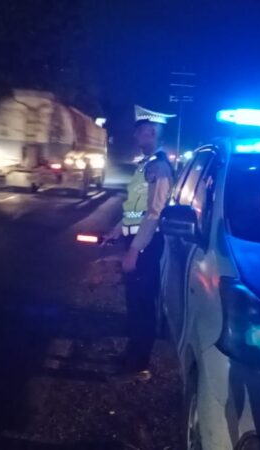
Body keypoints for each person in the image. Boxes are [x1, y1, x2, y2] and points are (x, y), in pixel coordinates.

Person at [105, 106, 175, 381]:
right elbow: (134, 208)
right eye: (137, 133)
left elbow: (154, 214)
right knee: (134, 303)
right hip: (135, 239)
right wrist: (117, 230)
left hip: (145, 244)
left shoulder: (159, 167)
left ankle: (138, 366)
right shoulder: (145, 165)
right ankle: (132, 356)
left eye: (143, 133)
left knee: (142, 305)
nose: (138, 137)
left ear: (153, 134)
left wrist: (135, 250)